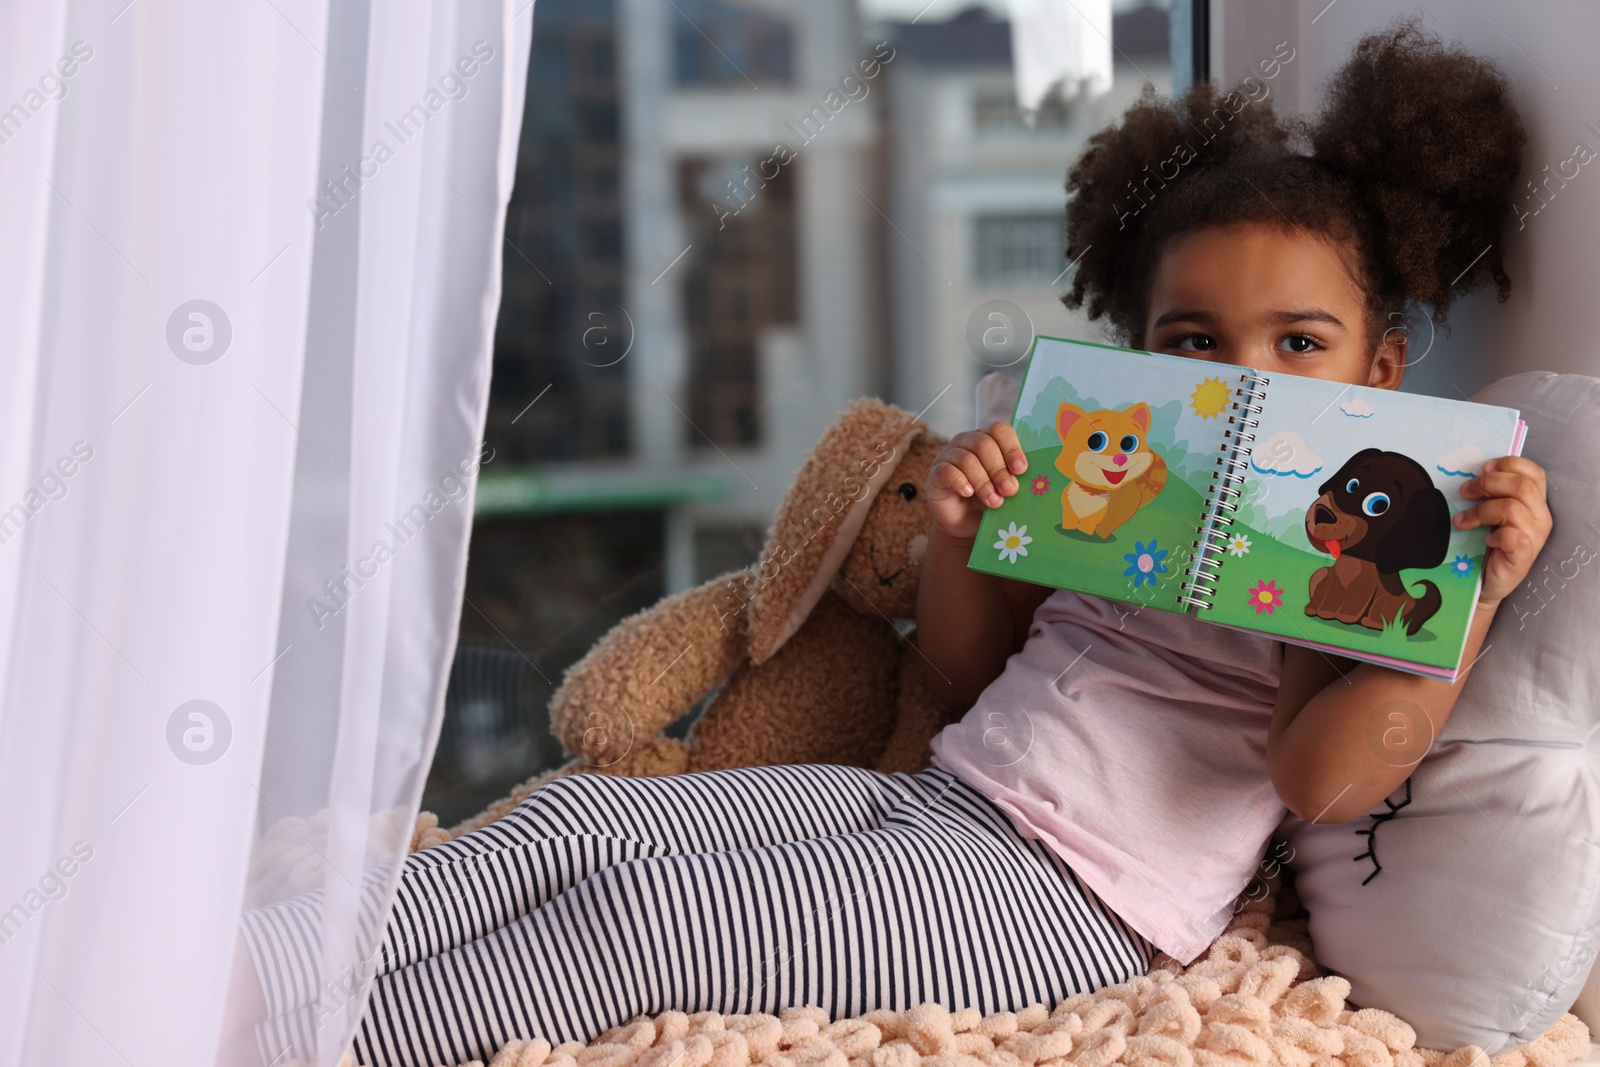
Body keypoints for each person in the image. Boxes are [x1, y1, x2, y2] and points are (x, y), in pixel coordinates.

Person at [229, 20, 1551, 1067]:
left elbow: (1322, 784)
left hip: (1074, 899)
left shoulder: (1349, 544)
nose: (1244, 375)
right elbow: (973, 677)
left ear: (1377, 371)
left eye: (1298, 345)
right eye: (1194, 345)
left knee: (646, 926)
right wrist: (967, 534)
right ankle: (230, 975)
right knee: (583, 820)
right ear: (1147, 354)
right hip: (947, 795)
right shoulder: (1126, 490)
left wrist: (1462, 605)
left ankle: (301, 1047)